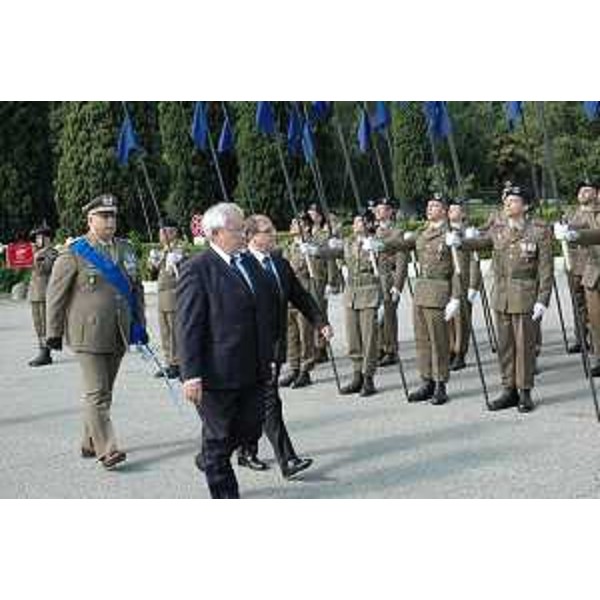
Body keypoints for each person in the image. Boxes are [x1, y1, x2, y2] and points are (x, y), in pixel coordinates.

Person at [177, 202, 276, 499]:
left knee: (251, 427)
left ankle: (209, 456)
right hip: (217, 373)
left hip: (252, 367)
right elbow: (189, 325)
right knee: (219, 439)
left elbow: (264, 309)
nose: (244, 234)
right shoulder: (198, 269)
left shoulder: (246, 262)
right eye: (238, 229)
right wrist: (191, 374)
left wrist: (269, 355)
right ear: (216, 233)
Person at [45, 194, 146, 469]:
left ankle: (89, 441)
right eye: (104, 216)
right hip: (87, 333)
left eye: (113, 215)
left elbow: (135, 290)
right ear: (90, 219)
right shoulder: (75, 251)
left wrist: (140, 325)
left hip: (118, 331)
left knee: (105, 392)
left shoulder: (125, 249)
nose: (110, 221)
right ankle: (107, 449)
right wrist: (51, 333)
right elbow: (55, 294)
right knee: (97, 392)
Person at [237, 214, 332, 478]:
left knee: (255, 401)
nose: (273, 234)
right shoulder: (240, 264)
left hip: (275, 345)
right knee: (269, 402)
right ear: (252, 236)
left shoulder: (279, 262)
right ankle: (287, 460)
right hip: (250, 347)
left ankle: (245, 449)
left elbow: (299, 295)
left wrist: (320, 322)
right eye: (267, 230)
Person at [451, 185, 554, 412]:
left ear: (525, 206)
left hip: (526, 295)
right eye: (506, 201)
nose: (508, 204)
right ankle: (509, 389)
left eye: (513, 201)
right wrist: (459, 241)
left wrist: (542, 299)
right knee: (505, 346)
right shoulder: (498, 230)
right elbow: (480, 243)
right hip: (502, 296)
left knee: (524, 346)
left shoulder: (538, 230)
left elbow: (545, 270)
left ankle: (525, 391)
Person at [392, 195, 461, 405]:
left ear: (445, 210)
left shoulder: (451, 234)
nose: (430, 208)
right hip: (421, 292)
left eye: (436, 206)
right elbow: (401, 244)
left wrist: (456, 298)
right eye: (429, 205)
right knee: (422, 341)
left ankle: (441, 384)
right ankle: (426, 380)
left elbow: (459, 270)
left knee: (439, 342)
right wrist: (378, 243)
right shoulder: (422, 234)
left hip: (439, 291)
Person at [311, 208, 383, 397]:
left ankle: (368, 377)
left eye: (360, 221)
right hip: (351, 294)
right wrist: (316, 251)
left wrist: (384, 298)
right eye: (355, 221)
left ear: (368, 224)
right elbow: (332, 252)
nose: (355, 224)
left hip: (369, 293)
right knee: (353, 337)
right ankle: (357, 374)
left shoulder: (376, 242)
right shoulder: (349, 242)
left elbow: (384, 271)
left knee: (369, 338)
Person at [279, 213, 318, 388]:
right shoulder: (288, 247)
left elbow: (317, 272)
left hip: (304, 293)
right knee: (291, 334)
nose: (293, 227)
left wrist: (310, 254)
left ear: (307, 227)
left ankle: (305, 369)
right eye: (292, 223)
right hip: (288, 296)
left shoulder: (313, 245)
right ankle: (293, 367)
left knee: (305, 334)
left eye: (298, 224)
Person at [372, 197, 409, 367]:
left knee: (388, 315)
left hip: (389, 278)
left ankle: (391, 350)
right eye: (378, 209)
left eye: (383, 209)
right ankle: (379, 347)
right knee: (376, 314)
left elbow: (401, 260)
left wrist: (398, 286)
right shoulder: (373, 231)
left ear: (390, 212)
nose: (379, 212)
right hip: (375, 279)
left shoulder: (397, 232)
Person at [147, 220, 187, 379]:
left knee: (175, 332)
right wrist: (153, 260)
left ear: (172, 233)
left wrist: (177, 258)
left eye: (163, 232)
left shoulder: (179, 249)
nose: (160, 235)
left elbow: (181, 265)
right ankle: (169, 362)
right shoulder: (163, 250)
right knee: (165, 332)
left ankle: (178, 363)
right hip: (162, 297)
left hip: (174, 295)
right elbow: (152, 271)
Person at [447, 199, 482, 371]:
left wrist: (474, 286)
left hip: (463, 281)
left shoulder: (468, 233)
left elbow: (475, 261)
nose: (451, 211)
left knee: (461, 320)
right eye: (450, 209)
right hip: (446, 282)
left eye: (455, 209)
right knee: (449, 319)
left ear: (463, 214)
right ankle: (450, 349)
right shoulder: (445, 232)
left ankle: (460, 352)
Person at [564, 181, 599, 354]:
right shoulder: (571, 214)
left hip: (591, 266)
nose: (583, 194)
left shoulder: (596, 213)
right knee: (578, 305)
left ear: (595, 193)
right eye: (580, 191)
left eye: (587, 190)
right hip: (574, 266)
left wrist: (572, 232)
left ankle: (595, 343)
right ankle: (581, 338)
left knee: (593, 309)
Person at [28, 223, 58, 367]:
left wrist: (36, 257)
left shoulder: (51, 253)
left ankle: (45, 353)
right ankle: (41, 349)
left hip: (45, 294)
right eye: (36, 238)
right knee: (38, 325)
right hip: (35, 294)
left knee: (45, 325)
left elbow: (44, 269)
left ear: (47, 238)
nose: (37, 240)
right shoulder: (38, 253)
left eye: (39, 237)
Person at [306, 202, 332, 363]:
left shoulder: (325, 234)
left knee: (320, 311)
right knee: (310, 310)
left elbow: (330, 258)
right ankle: (314, 345)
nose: (311, 214)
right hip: (308, 277)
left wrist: (331, 280)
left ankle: (321, 346)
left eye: (314, 212)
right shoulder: (307, 233)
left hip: (320, 277)